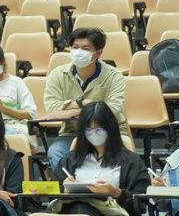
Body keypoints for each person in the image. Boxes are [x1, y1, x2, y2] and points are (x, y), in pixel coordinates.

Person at [47, 102, 148, 216]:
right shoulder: (70, 159)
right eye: (88, 130)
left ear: (110, 129)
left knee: (83, 212)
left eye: (99, 130)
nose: (93, 134)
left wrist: (116, 192)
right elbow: (51, 195)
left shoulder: (131, 161)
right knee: (80, 208)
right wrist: (64, 191)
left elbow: (142, 202)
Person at [41, 27, 127, 168]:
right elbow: (52, 107)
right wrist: (84, 103)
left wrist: (75, 110)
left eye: (85, 49)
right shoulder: (57, 74)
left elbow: (112, 110)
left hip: (107, 133)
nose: (79, 52)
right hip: (72, 133)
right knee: (55, 151)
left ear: (98, 53)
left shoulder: (114, 76)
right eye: (75, 48)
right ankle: (68, 182)